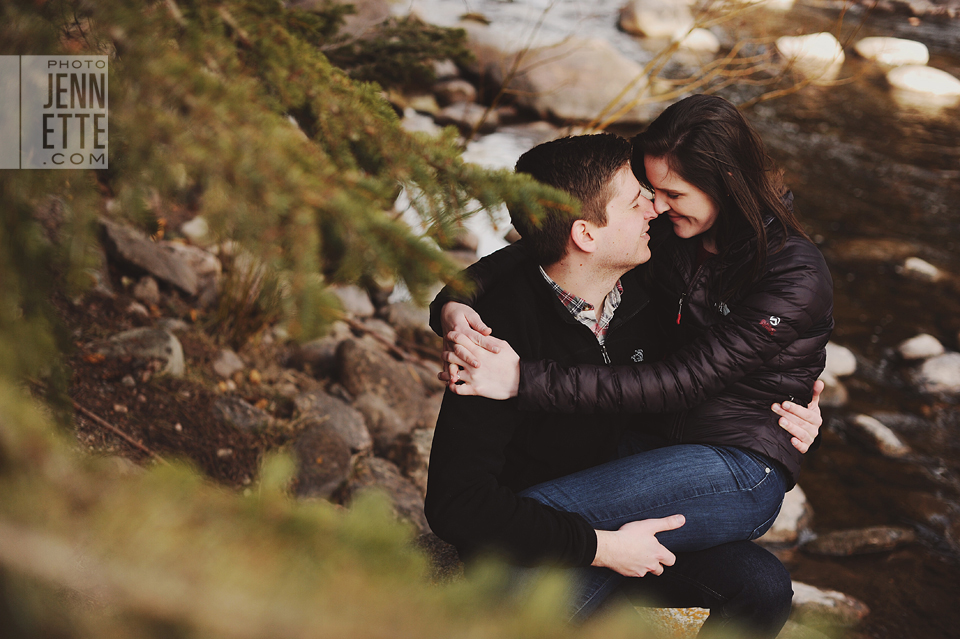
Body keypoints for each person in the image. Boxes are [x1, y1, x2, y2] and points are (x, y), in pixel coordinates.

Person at [424, 131, 825, 637]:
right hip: (550, 540)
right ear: (587, 234)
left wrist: (786, 405)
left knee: (761, 585)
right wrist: (604, 548)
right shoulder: (494, 338)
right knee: (533, 614)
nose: (655, 210)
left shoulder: (651, 280)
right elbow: (456, 504)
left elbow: (717, 365)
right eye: (638, 201)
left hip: (638, 498)